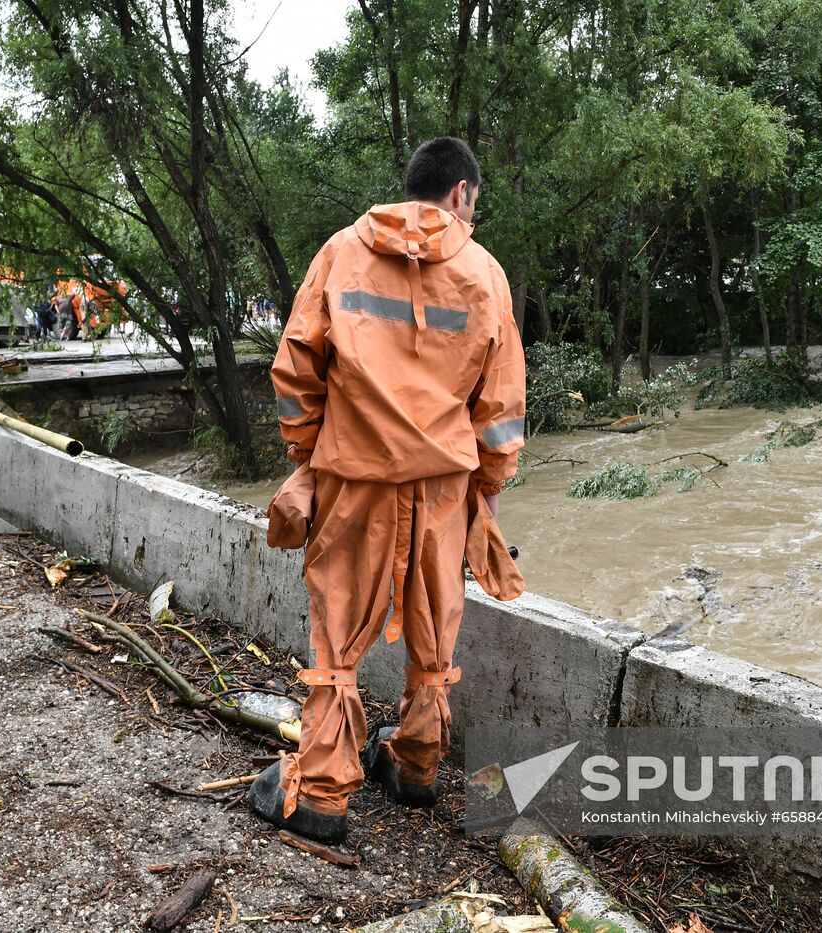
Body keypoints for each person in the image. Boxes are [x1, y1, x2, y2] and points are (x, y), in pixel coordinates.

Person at [249, 137, 527, 842]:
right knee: (435, 632)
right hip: (443, 485)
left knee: (337, 636)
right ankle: (415, 763)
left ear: (415, 189)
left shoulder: (343, 250)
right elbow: (501, 405)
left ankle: (319, 792)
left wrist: (308, 457)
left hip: (354, 477)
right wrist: (486, 496)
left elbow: (296, 367)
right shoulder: (484, 273)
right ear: (461, 193)